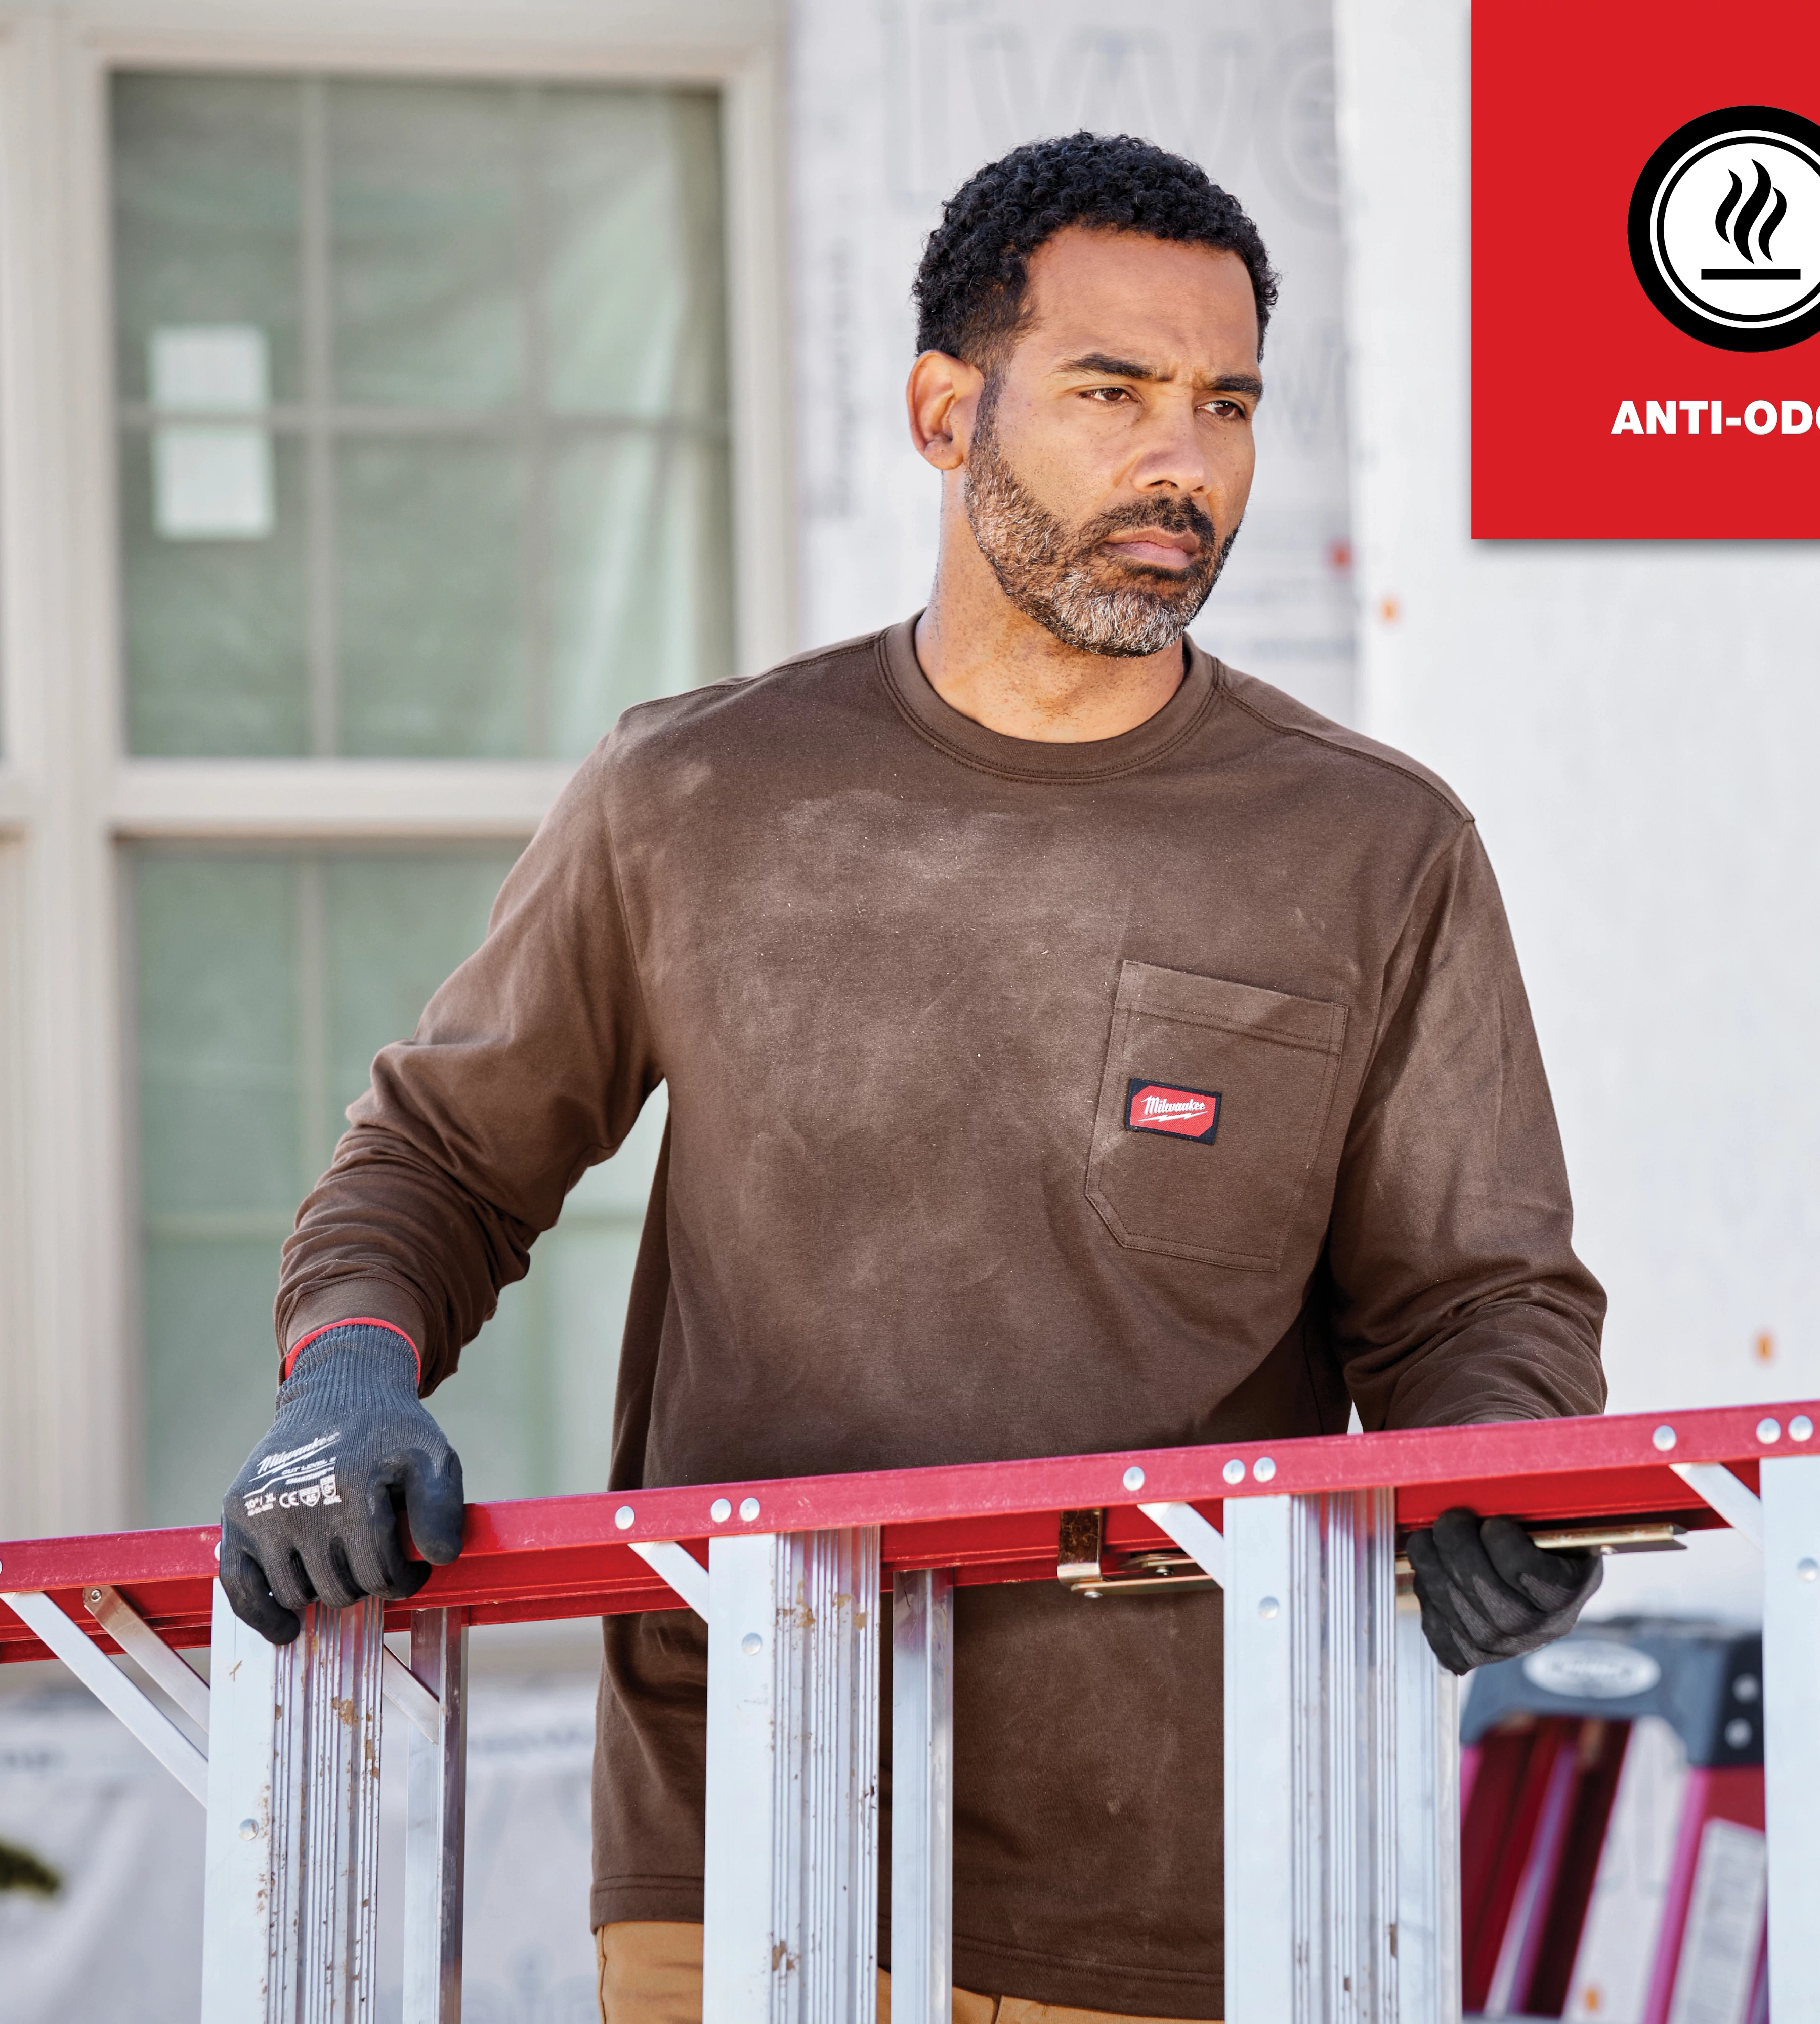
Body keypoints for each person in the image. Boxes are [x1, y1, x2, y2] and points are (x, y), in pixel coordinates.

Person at [221, 133, 1606, 2023]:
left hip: (1183, 1883)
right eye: (1113, 391)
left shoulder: (1374, 848)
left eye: (1225, 405)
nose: (1184, 463)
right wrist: (348, 1382)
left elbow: (1478, 1301)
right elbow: (441, 1162)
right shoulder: (694, 794)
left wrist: (1504, 1482)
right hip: (744, 1847)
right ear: (947, 411)